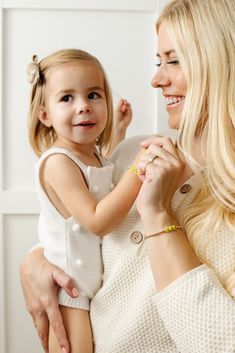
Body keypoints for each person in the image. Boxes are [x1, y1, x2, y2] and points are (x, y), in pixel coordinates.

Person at [20, 1, 235, 352]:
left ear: (220, 63)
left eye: (174, 60)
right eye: (158, 61)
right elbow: (80, 230)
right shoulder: (129, 154)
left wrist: (159, 214)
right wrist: (37, 258)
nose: (156, 79)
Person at [26, 48, 143, 353]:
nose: (84, 107)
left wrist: (117, 132)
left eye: (93, 95)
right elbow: (96, 220)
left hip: (93, 289)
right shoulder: (58, 163)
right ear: (45, 115)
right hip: (70, 293)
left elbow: (99, 180)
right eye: (67, 98)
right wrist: (138, 168)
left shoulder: (91, 155)